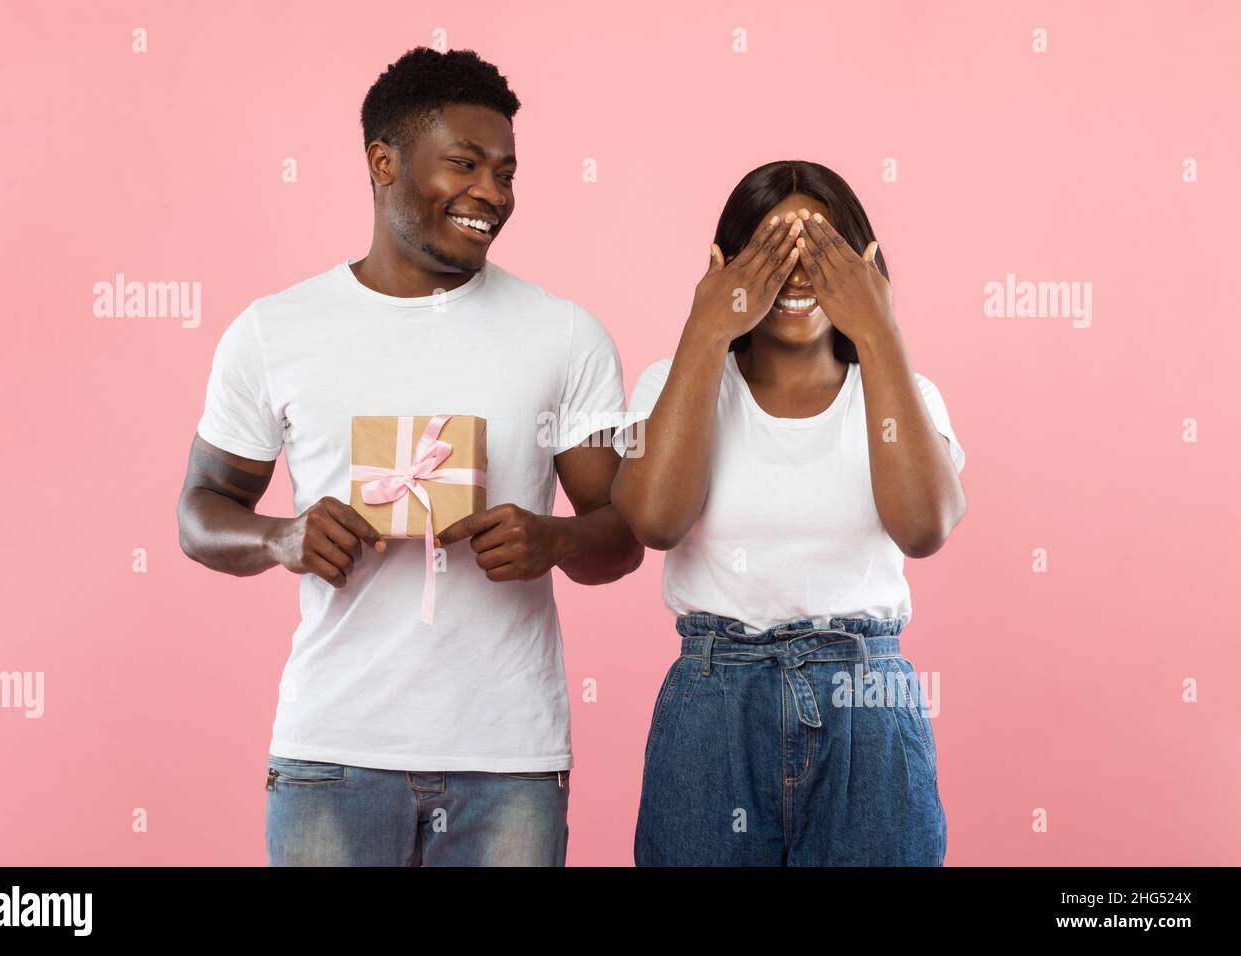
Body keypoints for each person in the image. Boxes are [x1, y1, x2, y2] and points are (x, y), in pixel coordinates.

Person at [176, 47, 642, 867]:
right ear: (382, 163)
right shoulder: (274, 331)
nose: (491, 196)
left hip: (509, 761)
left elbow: (623, 536)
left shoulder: (565, 334)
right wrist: (281, 538)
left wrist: (558, 541)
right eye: (464, 164)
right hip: (332, 752)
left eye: (505, 173)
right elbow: (200, 510)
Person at [610, 161, 967, 866]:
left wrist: (879, 330)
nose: (797, 273)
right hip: (715, 699)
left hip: (866, 695)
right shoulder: (675, 383)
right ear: (723, 263)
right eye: (773, 250)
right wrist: (707, 329)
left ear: (865, 265)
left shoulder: (903, 392)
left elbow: (925, 527)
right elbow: (653, 521)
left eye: (822, 252)